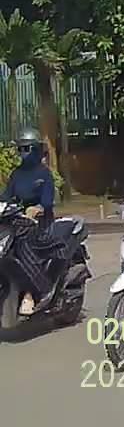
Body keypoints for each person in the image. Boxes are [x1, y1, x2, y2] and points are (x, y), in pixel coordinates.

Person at [1, 126, 57, 315]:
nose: (22, 153)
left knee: (23, 247)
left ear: (35, 149)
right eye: (20, 149)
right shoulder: (17, 174)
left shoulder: (44, 174)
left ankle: (32, 292)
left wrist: (37, 209)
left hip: (40, 224)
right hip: (17, 222)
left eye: (26, 148)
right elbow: (6, 197)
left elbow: (47, 202)